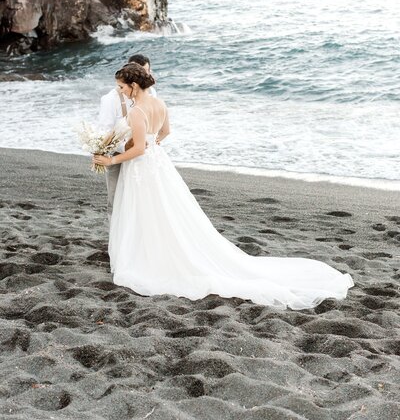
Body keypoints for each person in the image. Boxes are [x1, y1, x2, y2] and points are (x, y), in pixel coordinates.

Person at [94, 64, 353, 310]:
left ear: (134, 86)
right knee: (165, 212)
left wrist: (111, 159)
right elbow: (165, 133)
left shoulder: (137, 112)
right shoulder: (160, 104)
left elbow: (138, 149)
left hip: (142, 168)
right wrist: (154, 145)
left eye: (122, 87)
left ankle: (148, 260)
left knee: (147, 212)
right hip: (159, 165)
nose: (120, 91)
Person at [98, 53, 156, 220]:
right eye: (140, 75)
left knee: (144, 202)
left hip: (143, 157)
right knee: (117, 202)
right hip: (118, 157)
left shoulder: (151, 92)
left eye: (146, 73)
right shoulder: (110, 99)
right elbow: (104, 132)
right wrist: (124, 147)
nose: (144, 80)